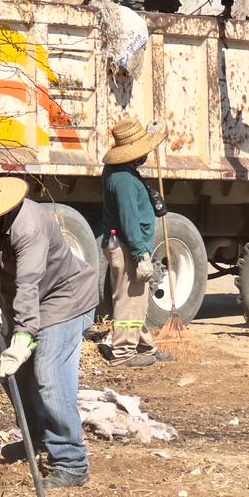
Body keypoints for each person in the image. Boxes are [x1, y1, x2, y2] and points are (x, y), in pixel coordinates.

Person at [0, 161, 97, 489]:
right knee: (13, 374)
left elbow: (29, 283)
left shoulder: (30, 224)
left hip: (64, 298)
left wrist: (24, 338)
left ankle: (71, 461)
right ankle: (38, 442)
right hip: (23, 299)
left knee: (49, 375)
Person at [100, 116, 172, 367]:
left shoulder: (125, 173)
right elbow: (129, 219)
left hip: (125, 244)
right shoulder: (123, 179)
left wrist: (150, 198)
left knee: (136, 298)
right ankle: (122, 354)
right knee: (128, 298)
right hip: (126, 246)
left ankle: (143, 346)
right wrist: (141, 254)